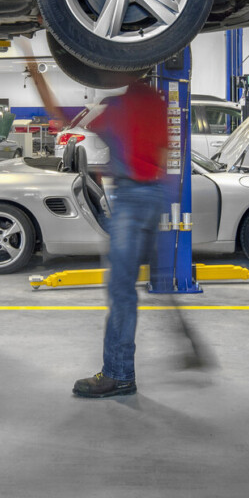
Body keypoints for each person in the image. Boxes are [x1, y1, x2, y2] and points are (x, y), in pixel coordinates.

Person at [69, 73, 168, 399]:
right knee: (128, 292)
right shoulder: (156, 102)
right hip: (153, 194)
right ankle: (121, 372)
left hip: (131, 199)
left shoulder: (120, 104)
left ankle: (118, 375)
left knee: (122, 293)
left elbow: (74, 122)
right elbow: (163, 153)